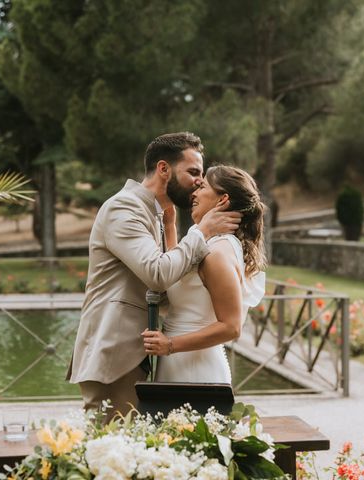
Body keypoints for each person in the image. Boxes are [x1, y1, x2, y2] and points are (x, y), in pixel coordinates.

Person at [67, 132, 242, 418]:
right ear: (163, 169)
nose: (199, 181)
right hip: (113, 354)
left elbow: (168, 287)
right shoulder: (124, 208)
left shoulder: (158, 215)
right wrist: (202, 231)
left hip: (140, 356)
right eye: (193, 172)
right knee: (110, 452)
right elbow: (158, 274)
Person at [141, 165, 266, 383]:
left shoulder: (216, 253)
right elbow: (179, 277)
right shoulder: (206, 242)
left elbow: (231, 327)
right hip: (177, 362)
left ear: (222, 199)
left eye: (203, 187)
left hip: (196, 369)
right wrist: (170, 225)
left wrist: (170, 345)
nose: (195, 193)